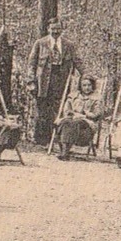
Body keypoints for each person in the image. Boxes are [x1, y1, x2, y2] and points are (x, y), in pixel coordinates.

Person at [27, 20, 76, 149]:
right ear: (48, 29)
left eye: (58, 29)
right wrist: (31, 81)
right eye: (53, 29)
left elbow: (78, 61)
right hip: (43, 82)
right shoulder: (40, 43)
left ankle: (58, 139)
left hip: (60, 81)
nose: (55, 32)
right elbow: (32, 64)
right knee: (42, 110)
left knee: (58, 110)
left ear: (62, 29)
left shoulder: (69, 45)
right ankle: (42, 140)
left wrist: (87, 77)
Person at [54, 76, 107, 160]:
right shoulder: (73, 96)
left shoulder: (97, 98)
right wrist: (73, 114)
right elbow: (66, 110)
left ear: (93, 86)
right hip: (71, 118)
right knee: (65, 122)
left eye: (89, 85)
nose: (87, 88)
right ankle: (64, 151)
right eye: (84, 85)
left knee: (74, 122)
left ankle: (65, 152)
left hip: (87, 124)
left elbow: (97, 114)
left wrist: (85, 115)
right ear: (80, 86)